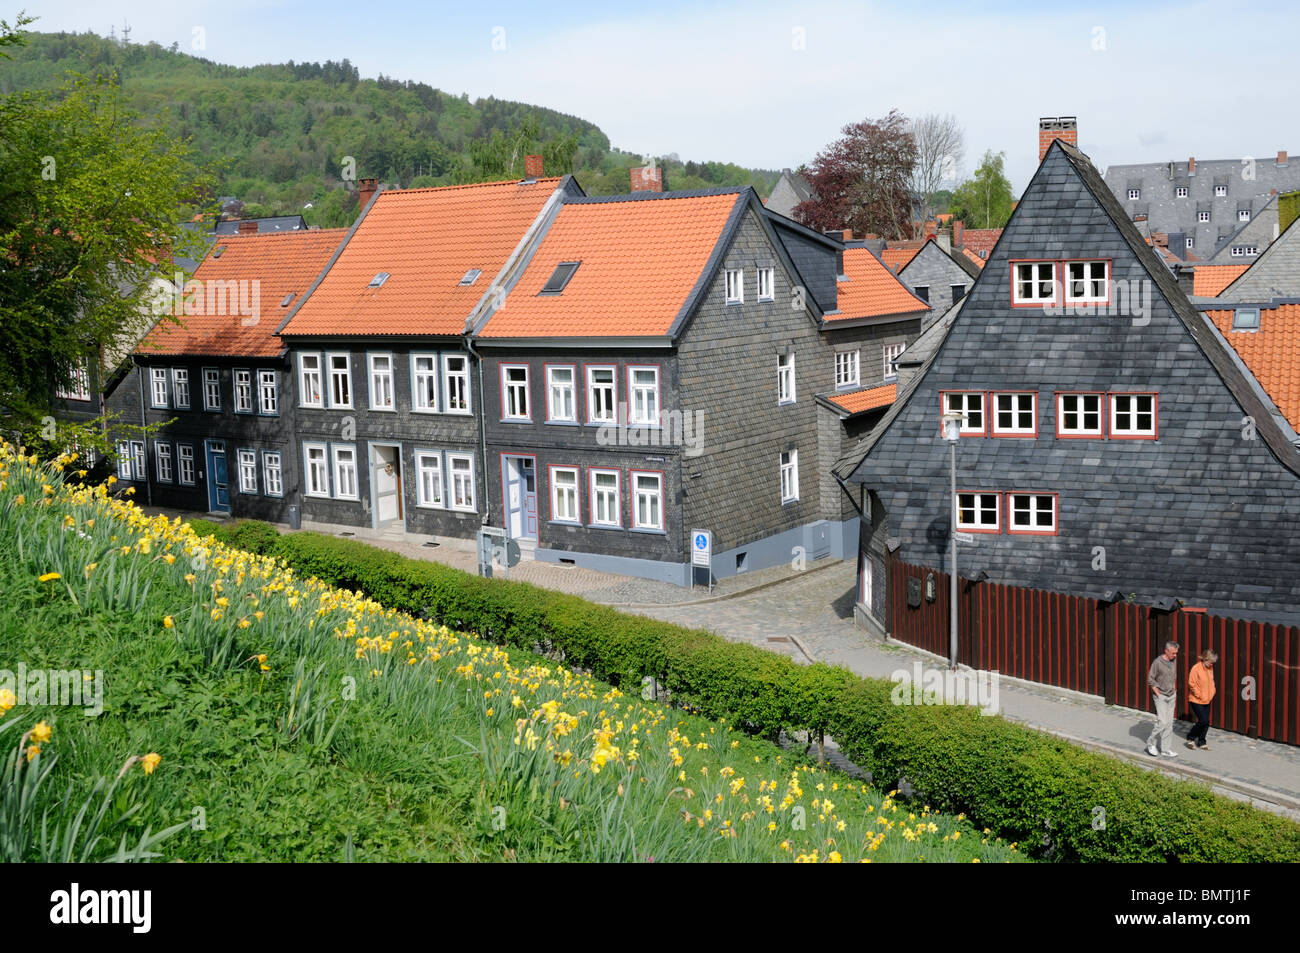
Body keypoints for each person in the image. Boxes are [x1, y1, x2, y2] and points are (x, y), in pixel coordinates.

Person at [1145, 640, 1179, 757]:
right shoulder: (1157, 663)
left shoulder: (1173, 661)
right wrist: (1158, 693)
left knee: (1169, 724)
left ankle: (1165, 749)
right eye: (1173, 653)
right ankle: (1151, 743)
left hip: (1171, 695)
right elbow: (1150, 679)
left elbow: (1173, 676)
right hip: (1161, 696)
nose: (1175, 656)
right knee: (1162, 722)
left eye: (1176, 653)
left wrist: (1174, 689)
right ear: (1166, 651)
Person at [1185, 649, 1218, 751]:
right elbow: (1191, 683)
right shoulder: (1196, 668)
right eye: (1211, 662)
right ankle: (1190, 737)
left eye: (1213, 662)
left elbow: (1211, 682)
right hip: (1196, 700)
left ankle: (1202, 741)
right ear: (1205, 659)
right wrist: (1199, 695)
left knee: (1206, 722)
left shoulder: (1210, 668)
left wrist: (1212, 692)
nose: (1212, 664)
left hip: (1207, 699)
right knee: (1203, 720)